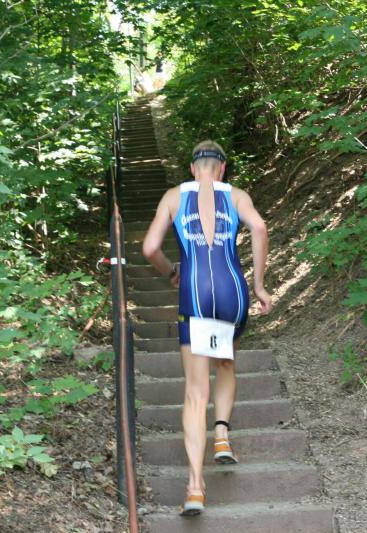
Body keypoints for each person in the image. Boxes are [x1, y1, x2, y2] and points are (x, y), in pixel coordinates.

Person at [142, 140, 272, 516]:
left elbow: (149, 248)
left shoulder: (173, 197)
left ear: (192, 167)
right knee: (226, 363)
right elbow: (260, 227)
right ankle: (222, 435)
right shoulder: (236, 195)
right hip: (233, 292)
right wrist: (259, 285)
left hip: (195, 295)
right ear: (223, 168)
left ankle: (195, 487)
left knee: (195, 394)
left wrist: (171, 272)